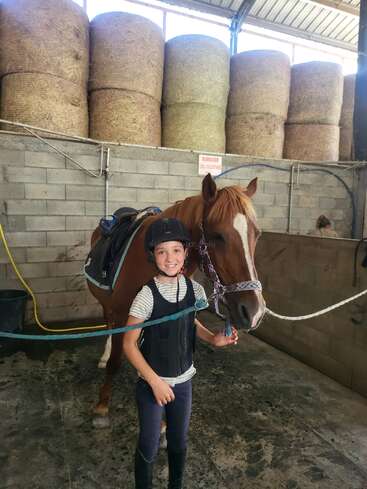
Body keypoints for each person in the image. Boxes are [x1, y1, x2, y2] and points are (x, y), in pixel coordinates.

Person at [123, 217, 238, 489]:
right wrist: (154, 382)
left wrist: (213, 338)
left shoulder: (195, 290)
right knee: (149, 445)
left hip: (184, 382)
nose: (170, 257)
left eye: (176, 250)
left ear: (186, 253)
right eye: (162, 251)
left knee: (178, 441)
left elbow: (190, 321)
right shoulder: (146, 296)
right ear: (153, 255)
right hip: (153, 384)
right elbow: (128, 344)